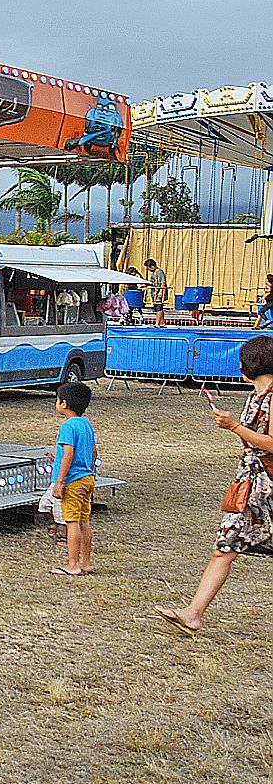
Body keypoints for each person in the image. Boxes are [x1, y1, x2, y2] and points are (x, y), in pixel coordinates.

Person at [154, 336, 273, 634]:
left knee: (226, 546)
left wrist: (235, 427)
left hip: (264, 485)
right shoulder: (255, 397)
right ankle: (193, 613)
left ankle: (194, 613)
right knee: (224, 547)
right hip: (250, 484)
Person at [50, 381, 98, 577]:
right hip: (87, 478)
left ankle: (72, 564)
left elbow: (69, 453)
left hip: (73, 481)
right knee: (84, 521)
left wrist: (60, 481)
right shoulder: (86, 424)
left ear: (64, 403)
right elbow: (93, 451)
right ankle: (85, 562)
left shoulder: (67, 426)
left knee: (72, 522)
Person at [144, 258, 169, 328]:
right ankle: (162, 323)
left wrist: (161, 291)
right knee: (158, 307)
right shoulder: (153, 273)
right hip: (154, 293)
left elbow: (163, 282)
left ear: (152, 266)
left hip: (158, 292)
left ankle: (157, 323)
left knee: (158, 308)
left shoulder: (159, 272)